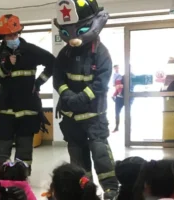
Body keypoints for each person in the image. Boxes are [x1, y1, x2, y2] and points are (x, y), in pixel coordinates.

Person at [53, 0, 118, 199]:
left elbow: (101, 83)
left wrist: (80, 98)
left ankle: (111, 189)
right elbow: (58, 78)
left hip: (94, 116)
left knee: (100, 153)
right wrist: (66, 95)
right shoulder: (65, 53)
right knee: (77, 157)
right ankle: (85, 191)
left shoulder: (101, 53)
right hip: (71, 118)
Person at [0, 14, 55, 175]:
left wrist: (38, 83)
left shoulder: (31, 51)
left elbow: (52, 63)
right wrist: (6, 66)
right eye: (10, 35)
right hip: (6, 110)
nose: (13, 37)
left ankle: (21, 179)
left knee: (24, 151)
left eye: (15, 34)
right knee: (2, 149)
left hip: (28, 109)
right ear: (3, 37)